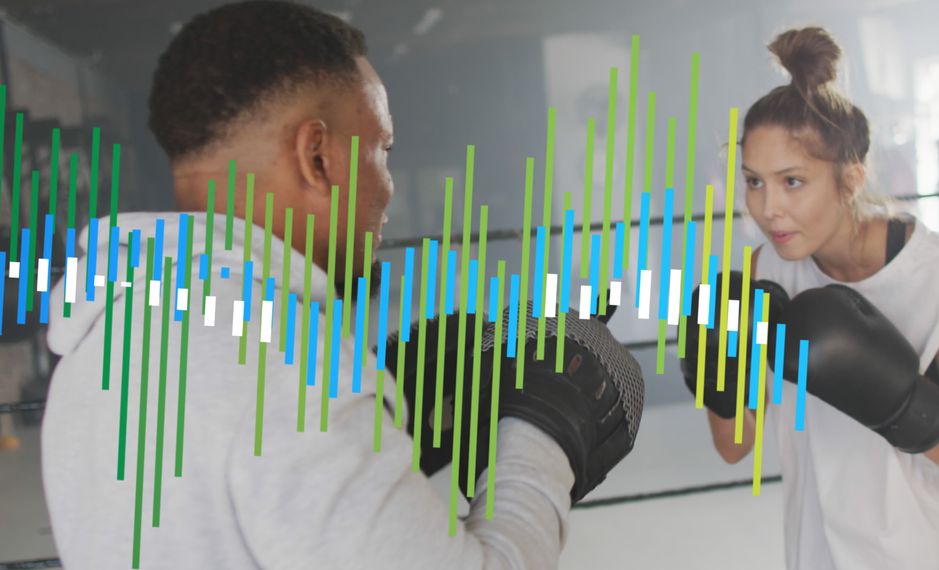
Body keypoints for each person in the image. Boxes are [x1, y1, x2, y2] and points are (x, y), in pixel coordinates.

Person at [41, 2, 643, 568]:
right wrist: (544, 424)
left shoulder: (104, 335)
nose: (388, 189)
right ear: (317, 157)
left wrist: (383, 422)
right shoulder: (289, 374)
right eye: (382, 150)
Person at [682, 27, 939, 569]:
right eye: (753, 181)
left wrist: (899, 404)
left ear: (851, 179)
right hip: (815, 553)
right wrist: (715, 375)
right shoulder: (766, 272)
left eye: (792, 181)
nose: (767, 209)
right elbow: (735, 446)